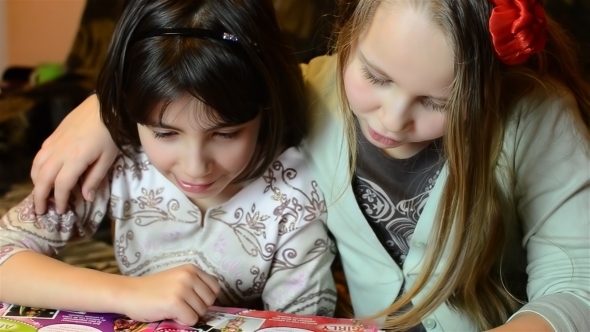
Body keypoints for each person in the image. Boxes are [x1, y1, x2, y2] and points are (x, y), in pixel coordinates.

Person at [21, 0, 590, 331]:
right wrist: (103, 108)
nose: (391, 120)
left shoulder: (538, 118)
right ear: (348, 33)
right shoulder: (310, 91)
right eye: (375, 76)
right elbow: (204, 82)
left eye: (439, 102)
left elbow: (575, 285)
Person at [0, 0, 337, 326]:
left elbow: (304, 324)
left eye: (226, 134)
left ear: (265, 110)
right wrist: (129, 294)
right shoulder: (121, 160)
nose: (194, 167)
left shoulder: (294, 198)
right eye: (164, 133)